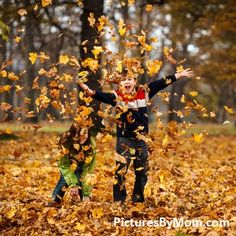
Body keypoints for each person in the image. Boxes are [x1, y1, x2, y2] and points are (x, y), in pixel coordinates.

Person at [78, 67, 194, 203]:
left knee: (142, 171)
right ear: (119, 83)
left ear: (135, 80)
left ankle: (138, 199)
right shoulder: (117, 96)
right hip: (124, 140)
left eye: (129, 79)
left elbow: (161, 83)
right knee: (120, 171)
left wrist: (178, 75)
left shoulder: (144, 92)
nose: (126, 82)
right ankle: (119, 201)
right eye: (123, 80)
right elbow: (101, 96)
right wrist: (88, 90)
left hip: (141, 139)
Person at [47, 121, 96, 207]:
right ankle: (55, 199)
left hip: (82, 166)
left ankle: (81, 198)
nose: (83, 136)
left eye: (85, 133)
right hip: (67, 166)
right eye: (79, 133)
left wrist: (86, 194)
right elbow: (64, 166)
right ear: (73, 134)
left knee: (80, 177)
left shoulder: (91, 146)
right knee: (65, 179)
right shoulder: (65, 143)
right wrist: (73, 185)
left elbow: (88, 170)